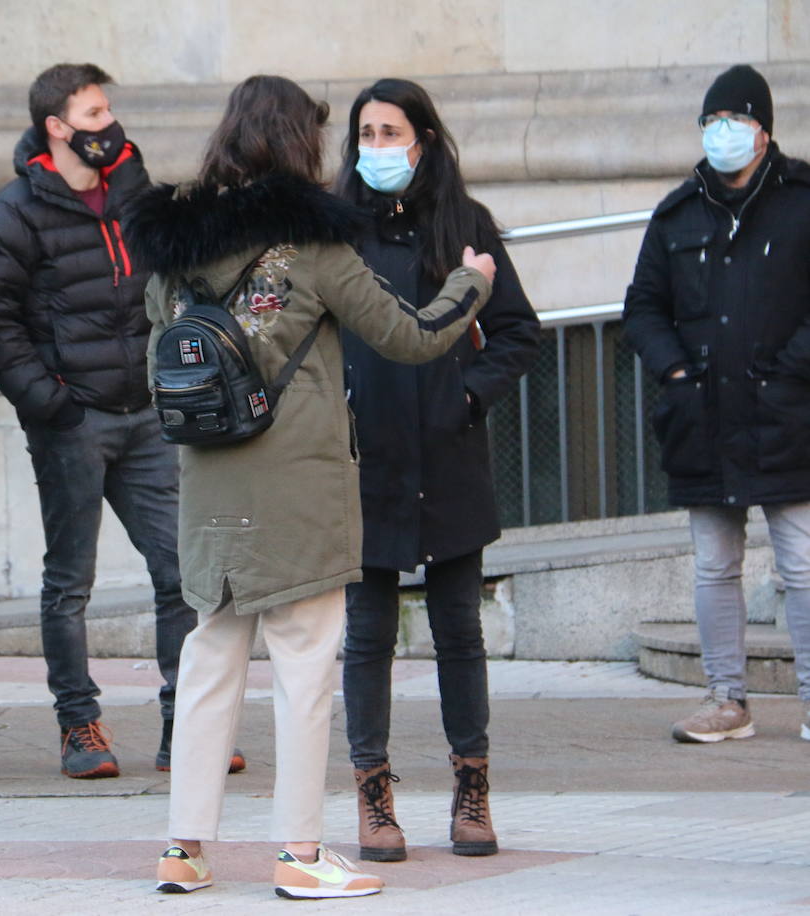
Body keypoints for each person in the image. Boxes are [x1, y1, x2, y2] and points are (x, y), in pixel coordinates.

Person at [124, 74, 496, 900]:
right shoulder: (313, 246)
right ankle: (298, 856)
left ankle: (183, 849)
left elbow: (156, 358)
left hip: (208, 487)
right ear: (298, 144)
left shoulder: (173, 250)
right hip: (296, 491)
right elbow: (409, 335)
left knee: (210, 658)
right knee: (303, 669)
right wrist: (470, 286)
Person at [0, 63, 242, 779]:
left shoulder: (133, 189)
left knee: (180, 570)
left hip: (148, 413)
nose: (107, 126)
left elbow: (181, 273)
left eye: (107, 111)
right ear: (57, 127)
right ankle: (79, 726)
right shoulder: (12, 213)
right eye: (92, 116)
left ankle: (187, 726)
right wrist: (50, 402)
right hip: (72, 420)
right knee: (70, 580)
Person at [332, 78, 540, 861]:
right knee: (367, 635)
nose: (377, 148)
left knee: (459, 630)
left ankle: (471, 787)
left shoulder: (465, 224)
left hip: (448, 456)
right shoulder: (336, 231)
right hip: (365, 459)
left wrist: (467, 396)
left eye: (391, 132)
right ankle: (374, 795)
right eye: (366, 134)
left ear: (423, 138)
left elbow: (518, 330)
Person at [625, 64, 810, 745]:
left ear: (763, 131)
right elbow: (642, 306)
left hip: (787, 417)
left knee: (802, 565)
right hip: (701, 417)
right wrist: (674, 370)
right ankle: (725, 699)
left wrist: (789, 372)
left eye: (733, 121)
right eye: (711, 123)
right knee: (714, 566)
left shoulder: (801, 200)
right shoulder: (678, 214)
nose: (721, 134)